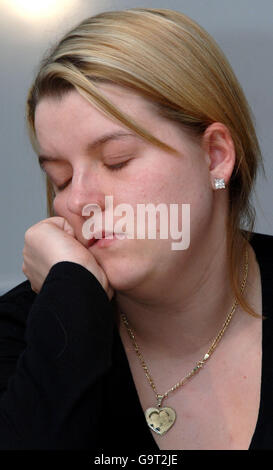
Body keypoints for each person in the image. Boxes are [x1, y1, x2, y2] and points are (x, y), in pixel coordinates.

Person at [0, 8, 272, 451]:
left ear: (216, 156)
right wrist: (72, 297)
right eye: (60, 178)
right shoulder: (19, 333)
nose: (77, 200)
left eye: (117, 161)